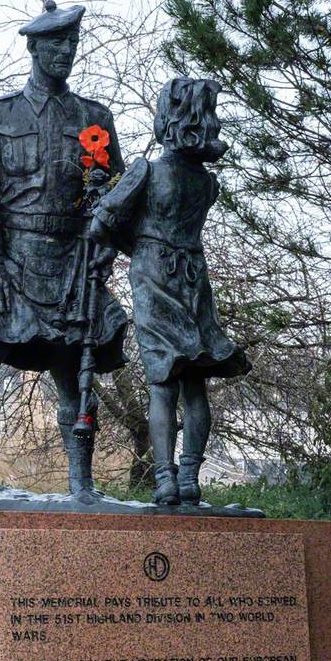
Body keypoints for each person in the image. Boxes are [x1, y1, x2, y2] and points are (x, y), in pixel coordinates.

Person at [0, 0, 127, 494]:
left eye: (73, 44)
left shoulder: (93, 120)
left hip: (70, 261)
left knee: (72, 368)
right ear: (35, 48)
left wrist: (103, 245)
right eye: (57, 44)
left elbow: (110, 192)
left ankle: (81, 480)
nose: (67, 52)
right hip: (8, 255)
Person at [90, 77, 249, 505]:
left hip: (155, 280)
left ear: (167, 118)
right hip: (194, 278)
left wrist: (133, 242)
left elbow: (101, 225)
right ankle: (190, 478)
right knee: (195, 384)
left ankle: (165, 478)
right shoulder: (207, 183)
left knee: (163, 384)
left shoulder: (147, 171)